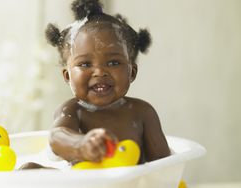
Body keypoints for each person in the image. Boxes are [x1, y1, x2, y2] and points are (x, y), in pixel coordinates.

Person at [21, 0, 170, 169]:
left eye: (113, 63)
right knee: (29, 169)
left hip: (128, 184)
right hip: (84, 182)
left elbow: (164, 165)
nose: (100, 72)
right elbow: (57, 138)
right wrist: (82, 145)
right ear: (67, 76)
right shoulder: (73, 110)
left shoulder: (142, 112)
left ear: (132, 73)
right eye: (85, 64)